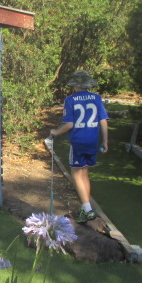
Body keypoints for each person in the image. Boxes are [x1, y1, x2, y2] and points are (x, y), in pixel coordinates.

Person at [50, 70, 108, 224]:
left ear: (75, 85)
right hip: (92, 141)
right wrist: (105, 141)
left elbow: (69, 124)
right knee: (85, 172)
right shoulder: (96, 98)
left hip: (78, 141)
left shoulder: (70, 99)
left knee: (76, 173)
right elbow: (103, 121)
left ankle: (87, 210)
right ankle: (86, 206)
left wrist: (55, 132)